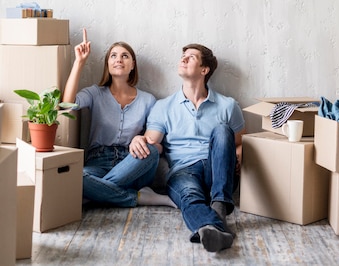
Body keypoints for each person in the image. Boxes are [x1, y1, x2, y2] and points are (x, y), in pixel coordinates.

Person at [129, 43, 245, 253]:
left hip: (216, 171)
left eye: (190, 57)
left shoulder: (228, 105)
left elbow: (239, 142)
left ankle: (218, 205)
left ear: (204, 69)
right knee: (189, 197)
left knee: (221, 130)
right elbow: (153, 143)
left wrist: (237, 156)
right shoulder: (163, 106)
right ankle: (211, 228)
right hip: (183, 171)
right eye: (183, 56)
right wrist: (139, 140)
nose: (183, 59)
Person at [62, 28, 176, 208]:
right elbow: (66, 105)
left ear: (132, 65)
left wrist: (141, 139)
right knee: (75, 176)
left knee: (151, 151)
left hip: (132, 163)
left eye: (125, 56)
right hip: (97, 162)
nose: (119, 59)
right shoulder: (95, 93)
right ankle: (138, 197)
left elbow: (159, 147)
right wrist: (79, 62)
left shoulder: (148, 100)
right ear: (107, 64)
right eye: (113, 56)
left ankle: (95, 194)